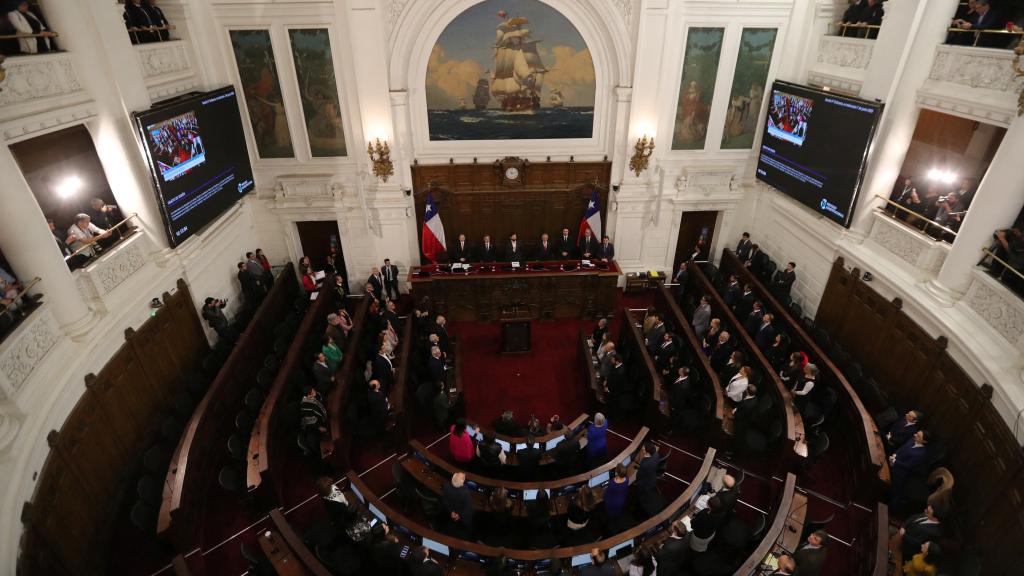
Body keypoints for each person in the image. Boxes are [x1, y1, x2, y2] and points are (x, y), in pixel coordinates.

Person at [891, 429, 932, 509]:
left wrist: (895, 462)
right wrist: (895, 454)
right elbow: (902, 447)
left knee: (894, 488)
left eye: (918, 436)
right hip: (895, 461)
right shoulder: (912, 440)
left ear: (924, 441)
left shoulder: (922, 454)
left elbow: (908, 466)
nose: (915, 435)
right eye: (917, 433)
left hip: (902, 471)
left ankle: (892, 506)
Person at [441, 472, 475, 537]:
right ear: (462, 483)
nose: (464, 474)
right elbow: (468, 508)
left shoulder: (446, 485)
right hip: (462, 514)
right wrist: (459, 515)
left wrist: (451, 511)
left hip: (451, 509)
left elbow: (445, 500)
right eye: (463, 477)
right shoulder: (465, 492)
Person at [299, 387, 328, 455]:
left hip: (320, 423)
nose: (314, 391)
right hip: (312, 430)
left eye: (313, 390)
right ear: (309, 395)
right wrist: (319, 427)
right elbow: (308, 422)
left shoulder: (315, 397)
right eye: (312, 391)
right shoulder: (306, 405)